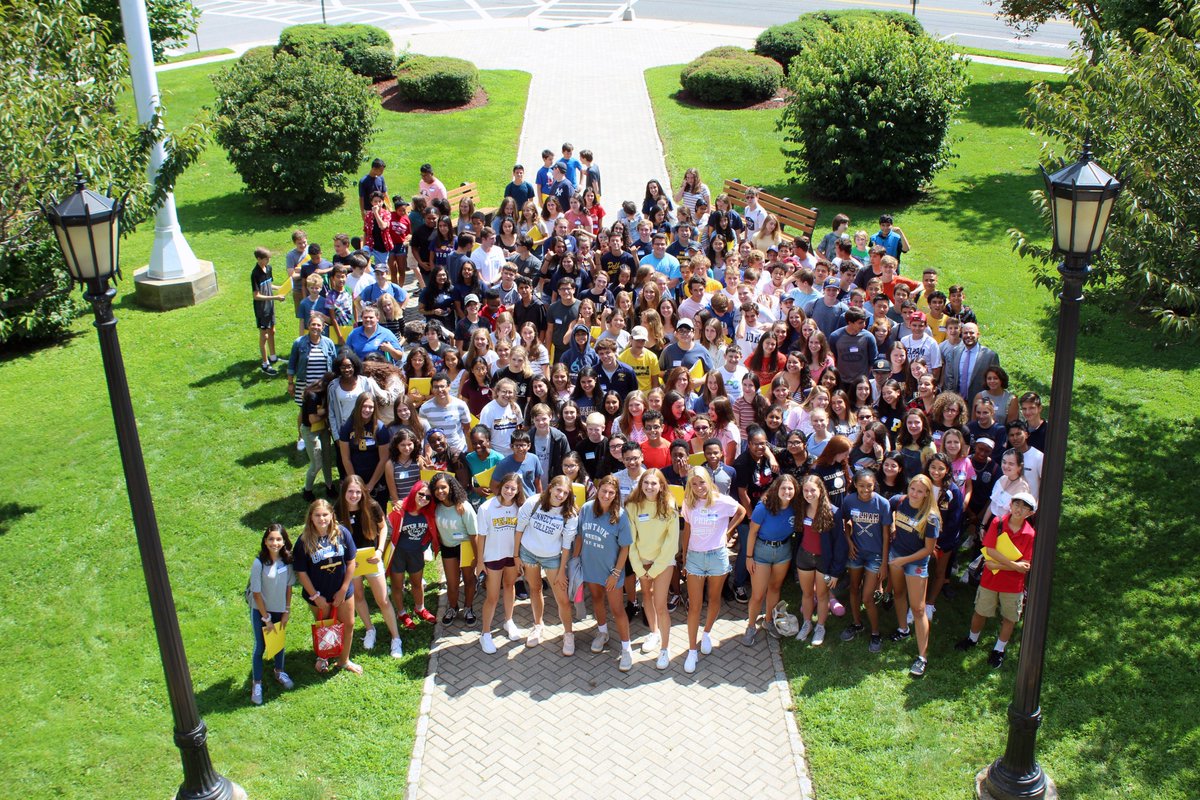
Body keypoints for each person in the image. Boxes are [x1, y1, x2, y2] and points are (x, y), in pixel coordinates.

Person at [955, 491, 1037, 669]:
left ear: (1030, 513)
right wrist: (1014, 565)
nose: (1019, 509)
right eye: (1017, 504)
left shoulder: (1030, 534)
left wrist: (999, 565)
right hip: (990, 581)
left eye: (1025, 508)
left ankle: (999, 650)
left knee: (1009, 618)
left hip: (1013, 585)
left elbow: (1024, 565)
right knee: (980, 611)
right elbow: (990, 550)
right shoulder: (997, 522)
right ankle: (972, 639)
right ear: (1010, 505)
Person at [680, 466, 746, 672]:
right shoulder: (688, 503)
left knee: (714, 598)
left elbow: (742, 512)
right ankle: (692, 650)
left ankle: (707, 632)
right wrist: (684, 557)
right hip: (695, 558)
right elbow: (687, 530)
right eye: (694, 484)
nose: (699, 487)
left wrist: (728, 532)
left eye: (702, 482)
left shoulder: (722, 501)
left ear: (708, 481)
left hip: (717, 556)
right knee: (694, 606)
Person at [293, 499, 360, 674]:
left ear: (331, 515)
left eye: (325, 514)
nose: (322, 518)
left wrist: (343, 590)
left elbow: (351, 562)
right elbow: (301, 573)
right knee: (326, 626)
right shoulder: (303, 541)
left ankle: (344, 660)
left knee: (348, 624)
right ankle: (324, 657)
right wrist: (316, 596)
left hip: (342, 590)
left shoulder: (342, 533)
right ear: (311, 517)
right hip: (318, 594)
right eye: (317, 515)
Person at [338, 476, 403, 657]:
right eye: (350, 491)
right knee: (358, 596)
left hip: (372, 558)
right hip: (351, 562)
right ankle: (369, 629)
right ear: (344, 492)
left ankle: (396, 638)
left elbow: (383, 527)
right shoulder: (337, 510)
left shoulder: (372, 506)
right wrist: (346, 558)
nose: (354, 495)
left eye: (357, 492)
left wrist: (380, 550)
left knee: (382, 599)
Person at [515, 476, 581, 654]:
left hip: (552, 558)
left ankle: (568, 634)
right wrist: (516, 556)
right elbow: (519, 529)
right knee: (535, 589)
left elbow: (566, 545)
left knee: (562, 598)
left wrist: (562, 571)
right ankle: (538, 625)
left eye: (565, 493)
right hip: (528, 553)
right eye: (558, 490)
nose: (561, 495)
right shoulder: (533, 502)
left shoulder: (570, 514)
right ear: (550, 488)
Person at [577, 475, 635, 671]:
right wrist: (575, 561)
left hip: (611, 572)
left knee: (617, 609)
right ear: (598, 489)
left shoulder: (620, 515)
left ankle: (626, 648)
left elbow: (625, 547)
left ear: (616, 494)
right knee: (596, 599)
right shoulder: (586, 509)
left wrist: (616, 573)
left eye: (611, 492)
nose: (607, 495)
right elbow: (579, 537)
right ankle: (602, 632)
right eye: (604, 491)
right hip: (590, 567)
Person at [886, 474, 941, 677]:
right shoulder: (898, 501)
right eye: (912, 489)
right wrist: (892, 526)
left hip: (915, 564)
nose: (914, 494)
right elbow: (887, 512)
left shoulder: (931, 517)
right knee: (899, 593)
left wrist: (904, 560)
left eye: (920, 491)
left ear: (927, 493)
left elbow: (928, 550)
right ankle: (903, 629)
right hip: (896, 556)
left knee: (918, 609)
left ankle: (922, 657)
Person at [626, 469, 679, 670]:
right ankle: (654, 633)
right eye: (646, 483)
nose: (649, 487)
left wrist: (655, 569)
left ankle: (665, 649)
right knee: (646, 596)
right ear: (641, 484)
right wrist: (639, 568)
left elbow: (671, 541)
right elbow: (631, 540)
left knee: (660, 605)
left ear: (661, 485)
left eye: (654, 483)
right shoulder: (632, 506)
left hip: (663, 561)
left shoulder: (669, 505)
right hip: (642, 560)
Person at [839, 469, 893, 651]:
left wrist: (884, 563)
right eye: (861, 486)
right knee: (854, 589)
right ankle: (857, 624)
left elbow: (886, 536)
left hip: (875, 556)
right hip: (856, 553)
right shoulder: (849, 501)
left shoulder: (883, 504)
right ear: (855, 484)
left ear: (874, 484)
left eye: (869, 486)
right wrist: (849, 542)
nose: (865, 490)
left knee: (867, 597)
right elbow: (845, 523)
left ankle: (876, 633)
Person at [743, 475, 798, 645]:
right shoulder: (763, 507)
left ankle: (768, 621)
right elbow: (752, 532)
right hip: (762, 551)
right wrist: (749, 557)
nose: (787, 491)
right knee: (758, 594)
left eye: (790, 488)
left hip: (783, 551)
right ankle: (751, 626)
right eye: (783, 488)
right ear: (776, 489)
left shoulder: (796, 507)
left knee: (774, 588)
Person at [476, 473, 527, 653]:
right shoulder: (486, 507)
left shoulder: (520, 508)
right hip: (492, 557)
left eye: (513, 488)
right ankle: (485, 633)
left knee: (510, 586)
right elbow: (481, 536)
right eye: (507, 487)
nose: (509, 491)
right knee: (492, 596)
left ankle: (509, 621)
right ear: (501, 486)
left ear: (518, 490)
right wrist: (480, 562)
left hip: (512, 556)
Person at [793, 475, 844, 647]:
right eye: (806, 490)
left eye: (812, 490)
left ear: (820, 490)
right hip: (804, 557)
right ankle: (807, 623)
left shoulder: (833, 512)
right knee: (807, 594)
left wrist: (835, 572)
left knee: (822, 595)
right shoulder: (802, 508)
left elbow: (839, 544)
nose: (809, 494)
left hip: (824, 561)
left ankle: (820, 627)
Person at [247, 523, 295, 705]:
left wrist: (286, 610)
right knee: (260, 646)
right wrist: (266, 618)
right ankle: (257, 683)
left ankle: (279, 671)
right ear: (265, 541)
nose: (275, 543)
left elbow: (289, 587)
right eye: (271, 539)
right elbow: (256, 593)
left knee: (278, 642)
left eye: (278, 539)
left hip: (279, 610)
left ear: (284, 541)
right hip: (260, 611)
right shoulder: (259, 563)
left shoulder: (287, 561)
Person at [386, 482, 440, 630]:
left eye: (428, 497)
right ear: (414, 493)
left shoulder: (428, 513)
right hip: (398, 554)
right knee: (397, 586)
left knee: (417, 583)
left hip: (416, 553)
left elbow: (430, 533)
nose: (424, 498)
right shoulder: (400, 511)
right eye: (421, 494)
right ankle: (402, 613)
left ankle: (420, 608)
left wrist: (424, 547)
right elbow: (387, 532)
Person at [428, 472, 478, 624]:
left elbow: (474, 534)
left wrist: (478, 558)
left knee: (469, 579)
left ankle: (468, 608)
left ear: (451, 487)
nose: (440, 491)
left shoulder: (464, 507)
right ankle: (453, 607)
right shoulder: (435, 506)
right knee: (452, 583)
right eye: (436, 488)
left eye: (443, 487)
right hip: (448, 548)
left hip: (466, 547)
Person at [338, 393, 392, 507]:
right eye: (364, 406)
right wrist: (355, 483)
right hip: (355, 472)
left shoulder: (380, 428)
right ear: (358, 406)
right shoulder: (346, 427)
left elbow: (384, 459)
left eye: (370, 407)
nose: (367, 410)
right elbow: (345, 458)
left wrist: (371, 484)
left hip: (377, 476)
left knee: (378, 509)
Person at [251, 246, 287, 375]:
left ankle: (273, 357)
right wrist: (275, 297)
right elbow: (256, 296)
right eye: (266, 259)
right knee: (264, 336)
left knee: (272, 331)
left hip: (270, 306)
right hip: (262, 309)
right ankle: (265, 364)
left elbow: (269, 284)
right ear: (259, 259)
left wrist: (281, 287)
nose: (268, 261)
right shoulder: (255, 274)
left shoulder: (269, 268)